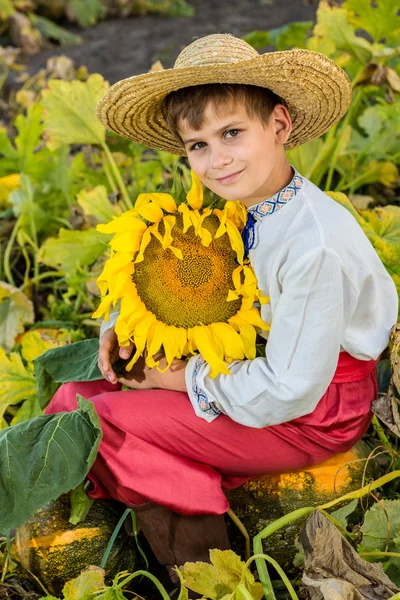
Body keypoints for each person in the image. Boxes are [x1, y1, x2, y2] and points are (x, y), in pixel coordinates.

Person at [46, 34, 398, 592]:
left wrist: (177, 377)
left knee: (98, 422)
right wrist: (120, 324)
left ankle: (208, 575)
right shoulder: (236, 199)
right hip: (249, 369)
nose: (217, 159)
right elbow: (161, 262)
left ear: (279, 126)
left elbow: (291, 387)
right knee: (77, 398)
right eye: (198, 145)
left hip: (313, 410)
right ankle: (178, 489)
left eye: (232, 133)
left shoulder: (313, 244)